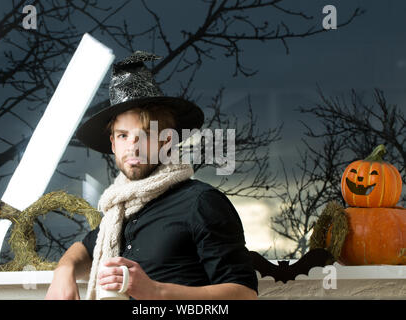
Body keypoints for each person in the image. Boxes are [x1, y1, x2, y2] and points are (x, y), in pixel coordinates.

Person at [45, 51, 258, 300]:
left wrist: (155, 291)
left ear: (166, 141)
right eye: (123, 136)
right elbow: (84, 249)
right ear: (113, 143)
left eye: (144, 134)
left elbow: (244, 295)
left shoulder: (202, 202)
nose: (133, 147)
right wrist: (64, 270)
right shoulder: (118, 211)